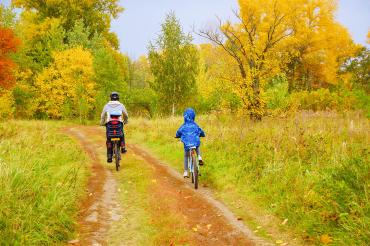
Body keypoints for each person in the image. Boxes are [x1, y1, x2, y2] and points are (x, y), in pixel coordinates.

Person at [175, 108, 205, 178]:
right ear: (194, 116)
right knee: (197, 145)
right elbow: (201, 131)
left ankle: (185, 171)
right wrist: (203, 135)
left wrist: (177, 136)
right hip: (195, 142)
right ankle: (199, 157)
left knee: (186, 156)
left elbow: (178, 132)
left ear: (184, 117)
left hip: (187, 144)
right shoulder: (195, 125)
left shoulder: (183, 126)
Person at [100, 92, 128, 163]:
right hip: (119, 123)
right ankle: (123, 148)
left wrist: (102, 123)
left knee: (109, 138)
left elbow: (103, 115)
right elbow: (125, 115)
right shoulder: (121, 105)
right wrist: (126, 121)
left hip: (109, 123)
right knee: (121, 135)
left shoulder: (106, 105)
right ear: (118, 98)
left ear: (111, 98)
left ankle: (109, 155)